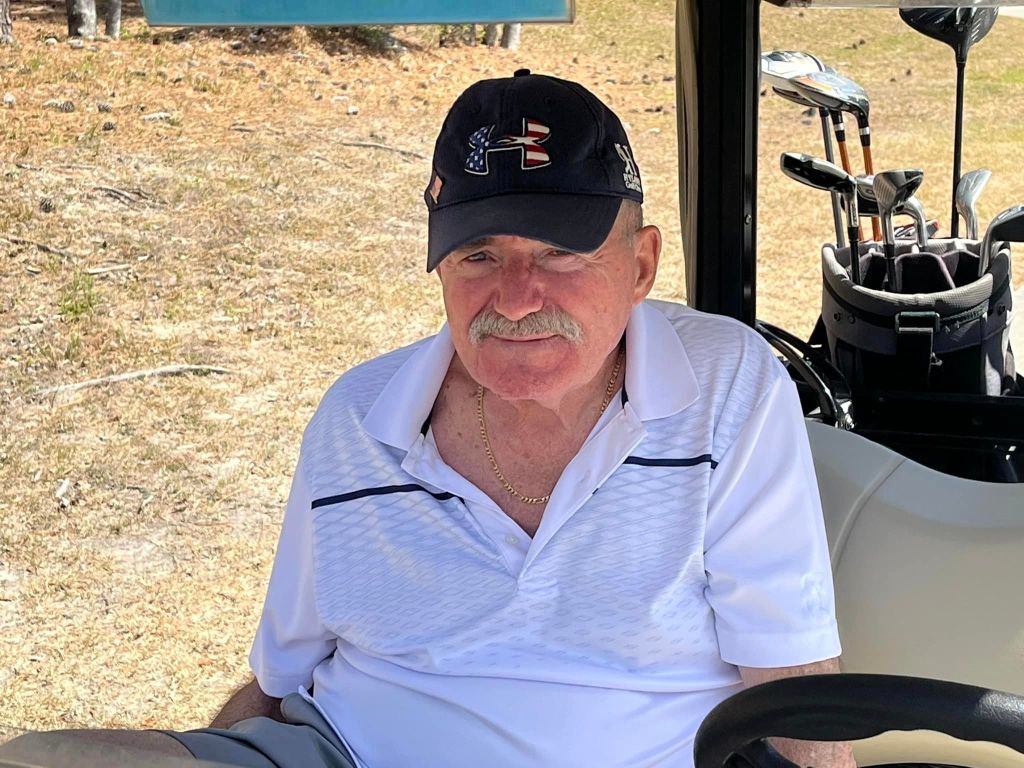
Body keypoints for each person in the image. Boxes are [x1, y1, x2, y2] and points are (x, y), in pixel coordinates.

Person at [0, 70, 853, 768]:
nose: (515, 298)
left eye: (560, 252)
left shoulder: (724, 386)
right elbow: (280, 681)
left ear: (641, 264)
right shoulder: (360, 417)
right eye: (479, 255)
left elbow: (792, 684)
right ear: (440, 266)